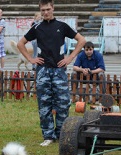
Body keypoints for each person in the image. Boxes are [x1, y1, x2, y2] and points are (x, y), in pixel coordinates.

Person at [17, 0, 86, 146]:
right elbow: (20, 43)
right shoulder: (37, 27)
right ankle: (48, 135)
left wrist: (70, 58)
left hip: (59, 69)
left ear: (53, 8)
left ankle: (61, 133)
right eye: (42, 10)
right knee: (44, 104)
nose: (45, 12)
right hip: (43, 70)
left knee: (63, 103)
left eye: (48, 9)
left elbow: (81, 40)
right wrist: (31, 59)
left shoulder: (62, 26)